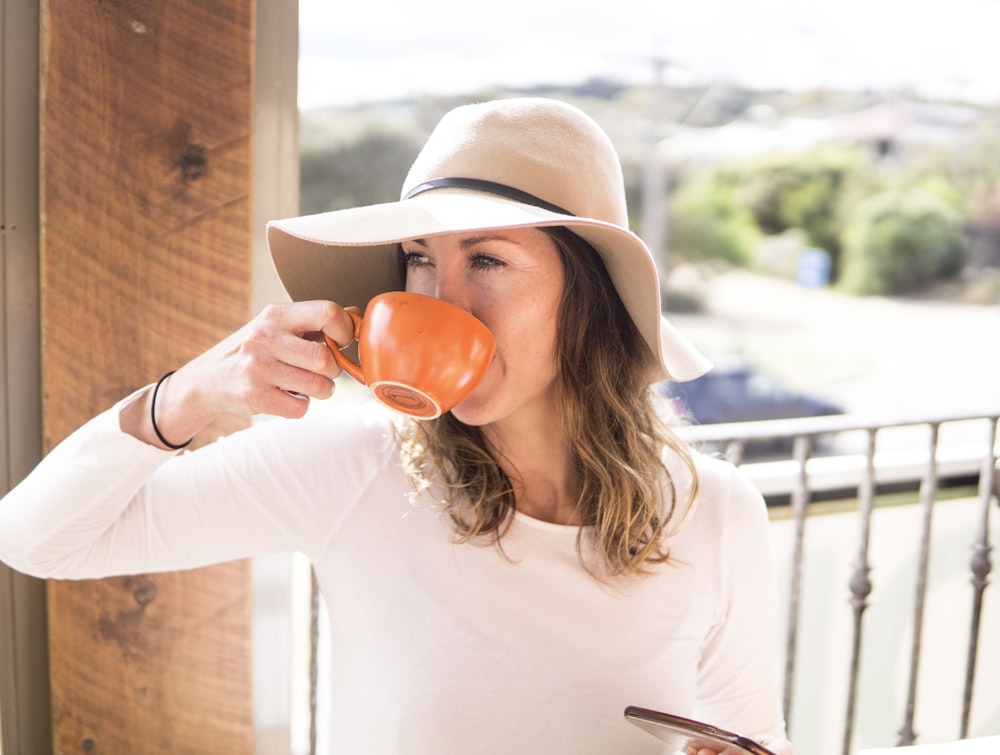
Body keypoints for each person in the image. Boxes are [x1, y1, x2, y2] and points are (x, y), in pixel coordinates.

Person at [0, 97, 792, 754]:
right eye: (420, 259)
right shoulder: (350, 464)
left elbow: (751, 734)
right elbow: (35, 539)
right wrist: (189, 394)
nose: (439, 300)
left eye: (485, 260)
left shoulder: (713, 510)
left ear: (588, 299)